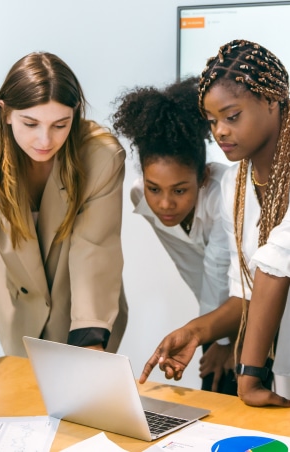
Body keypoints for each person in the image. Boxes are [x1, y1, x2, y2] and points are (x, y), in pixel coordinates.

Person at [139, 40, 290, 406]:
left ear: (271, 100)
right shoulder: (235, 182)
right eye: (212, 121)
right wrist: (196, 333)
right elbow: (244, 292)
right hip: (285, 360)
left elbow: (275, 268)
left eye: (232, 116)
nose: (220, 132)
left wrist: (248, 376)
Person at [0, 52, 128, 382]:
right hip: (18, 315)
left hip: (87, 313)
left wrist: (90, 346)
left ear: (74, 115)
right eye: (30, 124)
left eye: (60, 125)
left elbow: (95, 248)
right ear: (5, 113)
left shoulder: (102, 155)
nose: (45, 140)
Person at [112, 78, 235, 394]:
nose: (165, 204)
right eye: (155, 188)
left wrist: (221, 340)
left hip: (259, 307)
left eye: (180, 190)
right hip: (216, 317)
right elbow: (196, 269)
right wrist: (209, 334)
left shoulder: (225, 196)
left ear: (203, 176)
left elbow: (218, 270)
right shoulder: (141, 198)